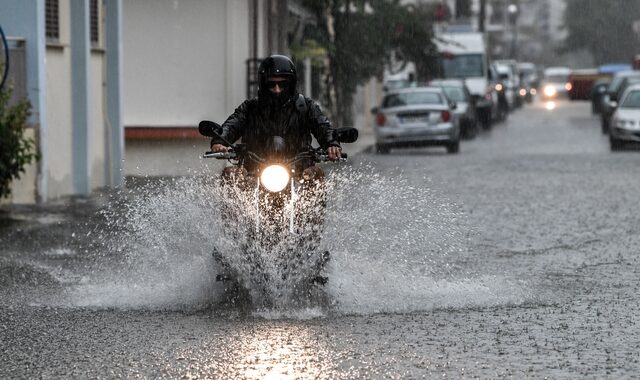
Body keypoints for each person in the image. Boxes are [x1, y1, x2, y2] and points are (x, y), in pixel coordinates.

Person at [211, 54, 342, 177]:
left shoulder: (305, 107)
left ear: (291, 84)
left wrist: (332, 143)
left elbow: (322, 125)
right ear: (263, 84)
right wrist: (220, 140)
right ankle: (235, 202)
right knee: (231, 175)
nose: (277, 89)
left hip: (299, 172)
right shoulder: (250, 108)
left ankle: (312, 202)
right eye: (271, 84)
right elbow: (233, 124)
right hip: (254, 172)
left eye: (283, 84)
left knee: (315, 175)